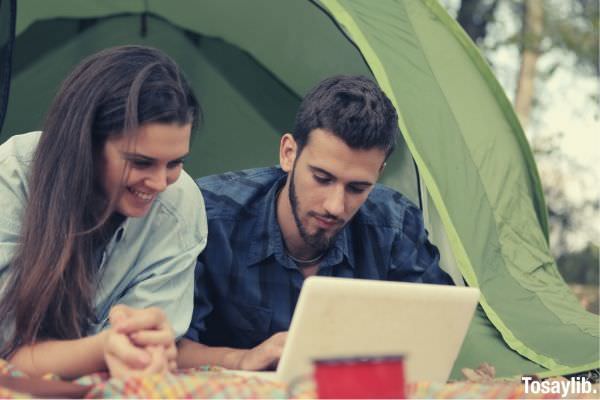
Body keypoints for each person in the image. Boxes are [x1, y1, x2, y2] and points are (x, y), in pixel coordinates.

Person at [178, 75, 453, 371]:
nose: (335, 206)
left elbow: (437, 333)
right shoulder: (209, 215)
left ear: (380, 172)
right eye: (322, 178)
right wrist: (241, 359)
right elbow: (169, 350)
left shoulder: (395, 225)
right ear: (288, 153)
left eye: (357, 188)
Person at [0, 46, 207, 378]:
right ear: (85, 144)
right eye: (140, 162)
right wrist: (104, 349)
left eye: (175, 162)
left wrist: (146, 351)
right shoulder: (11, 177)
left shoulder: (180, 205)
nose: (158, 182)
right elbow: (7, 352)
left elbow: (145, 345)